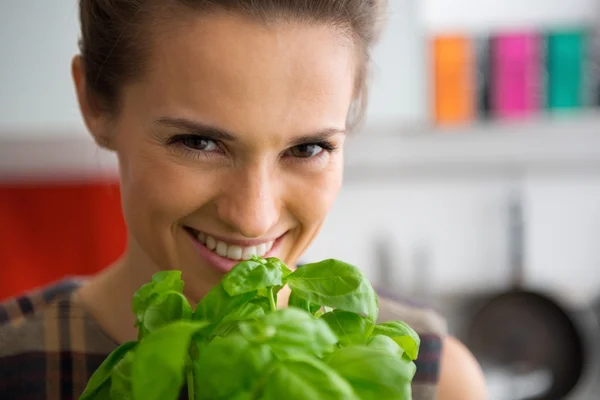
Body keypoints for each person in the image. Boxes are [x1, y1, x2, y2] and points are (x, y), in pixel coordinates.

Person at [0, 0, 488, 399]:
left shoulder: (428, 378)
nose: (254, 217)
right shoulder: (12, 363)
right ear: (95, 104)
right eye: (198, 143)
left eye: (308, 148)